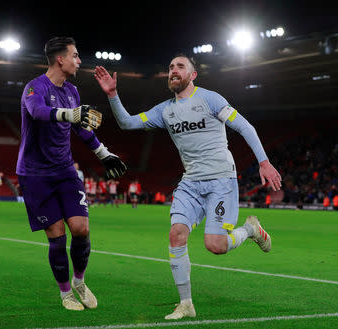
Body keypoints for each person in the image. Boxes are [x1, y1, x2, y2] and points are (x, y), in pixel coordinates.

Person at [94, 54, 281, 320]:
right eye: (170, 67)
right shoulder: (164, 110)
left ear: (193, 75)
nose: (173, 70)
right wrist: (113, 94)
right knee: (176, 235)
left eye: (180, 66)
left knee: (215, 245)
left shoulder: (211, 99)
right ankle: (186, 304)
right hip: (190, 183)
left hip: (221, 181)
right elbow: (127, 123)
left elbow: (245, 127)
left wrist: (264, 162)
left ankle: (251, 229)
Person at [16, 36, 127, 311]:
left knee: (81, 228)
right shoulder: (34, 88)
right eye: (75, 56)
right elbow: (40, 112)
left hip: (65, 170)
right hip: (35, 174)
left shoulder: (72, 91)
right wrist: (71, 114)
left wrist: (103, 153)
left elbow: (81, 128)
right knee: (56, 235)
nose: (79, 61)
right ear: (60, 59)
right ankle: (65, 293)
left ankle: (79, 281)